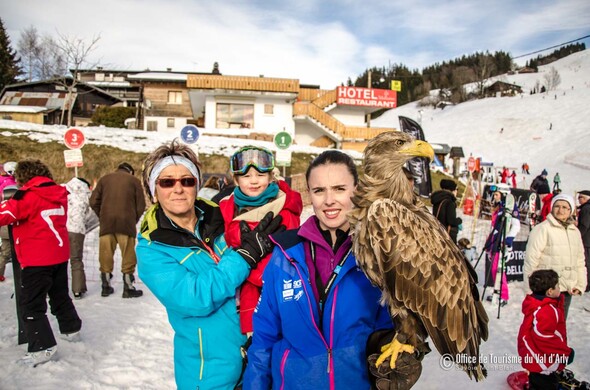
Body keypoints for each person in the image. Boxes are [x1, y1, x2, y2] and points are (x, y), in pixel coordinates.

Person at [136, 140, 285, 390]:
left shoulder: (223, 216)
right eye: (167, 182)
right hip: (211, 375)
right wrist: (244, 257)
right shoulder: (152, 248)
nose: (178, 189)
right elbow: (195, 297)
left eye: (187, 180)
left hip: (260, 359)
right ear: (153, 190)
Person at [243, 150, 395, 389]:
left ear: (357, 190)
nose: (329, 200)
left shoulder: (377, 254)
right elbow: (264, 338)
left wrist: (401, 350)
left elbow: (389, 327)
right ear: (310, 195)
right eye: (319, 190)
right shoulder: (284, 254)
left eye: (339, 189)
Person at [0, 160, 82, 366]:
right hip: (58, 253)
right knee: (59, 295)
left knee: (31, 304)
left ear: (22, 177)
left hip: (36, 258)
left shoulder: (28, 195)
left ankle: (42, 346)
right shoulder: (57, 192)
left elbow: (6, 214)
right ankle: (71, 329)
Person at [219, 145, 302, 335]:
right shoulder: (227, 207)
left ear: (271, 176)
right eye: (247, 176)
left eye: (260, 175)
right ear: (236, 179)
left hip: (275, 280)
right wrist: (238, 237)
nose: (254, 181)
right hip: (244, 284)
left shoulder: (284, 207)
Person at [525, 194, 587, 318]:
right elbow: (531, 260)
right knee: (544, 326)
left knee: (560, 326)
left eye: (565, 207)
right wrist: (530, 289)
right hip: (546, 289)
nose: (560, 210)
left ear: (571, 211)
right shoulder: (542, 229)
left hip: (567, 289)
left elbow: (580, 260)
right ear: (552, 208)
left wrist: (580, 284)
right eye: (557, 206)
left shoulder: (574, 232)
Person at [90, 162, 146, 298]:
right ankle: (128, 287)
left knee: (105, 254)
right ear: (130, 172)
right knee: (128, 254)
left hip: (106, 224)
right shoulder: (134, 181)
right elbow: (141, 205)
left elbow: (93, 201)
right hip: (126, 223)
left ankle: (105, 285)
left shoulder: (104, 179)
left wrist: (103, 215)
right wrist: (133, 219)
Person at [517, 269, 574, 389]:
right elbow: (545, 339)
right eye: (557, 286)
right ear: (550, 292)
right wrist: (564, 353)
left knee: (538, 380)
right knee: (545, 384)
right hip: (542, 361)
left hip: (535, 357)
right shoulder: (547, 310)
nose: (560, 288)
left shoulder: (537, 304)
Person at [484, 183, 520, 306]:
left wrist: (508, 241)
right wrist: (489, 243)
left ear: (504, 194)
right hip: (495, 241)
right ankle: (497, 292)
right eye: (494, 194)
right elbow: (495, 227)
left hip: (502, 242)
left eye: (497, 194)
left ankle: (503, 295)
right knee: (494, 269)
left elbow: (516, 226)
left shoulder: (510, 208)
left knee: (499, 269)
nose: (495, 197)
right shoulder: (500, 208)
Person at [64, 177, 92, 299]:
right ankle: (78, 289)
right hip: (77, 229)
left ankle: (56, 288)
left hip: (61, 228)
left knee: (59, 262)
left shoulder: (63, 189)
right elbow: (89, 213)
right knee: (76, 260)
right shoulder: (86, 194)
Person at [0, 162, 17, 282]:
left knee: (5, 252)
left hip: (4, 222)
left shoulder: (2, 182)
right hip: (13, 223)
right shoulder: (13, 184)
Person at [431, 179, 462, 243]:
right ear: (452, 190)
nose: (457, 191)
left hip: (438, 231)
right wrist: (459, 220)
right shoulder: (449, 202)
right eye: (456, 189)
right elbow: (451, 221)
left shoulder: (438, 199)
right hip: (447, 235)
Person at [577, 190, 590, 293]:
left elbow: (584, 225)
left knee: (586, 263)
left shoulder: (586, 209)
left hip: (586, 241)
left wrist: (577, 236)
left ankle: (587, 285)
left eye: (580, 197)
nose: (578, 199)